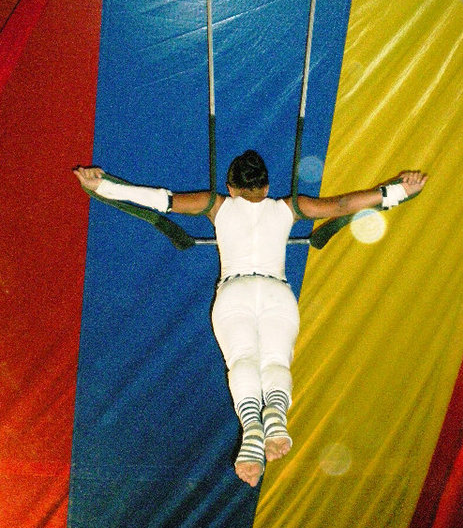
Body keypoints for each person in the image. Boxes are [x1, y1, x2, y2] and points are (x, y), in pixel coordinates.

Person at [74, 151, 427, 487]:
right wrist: (400, 190)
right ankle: (274, 416)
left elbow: (159, 200)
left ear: (231, 187)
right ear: (267, 186)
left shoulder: (216, 205)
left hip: (235, 291)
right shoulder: (290, 207)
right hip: (276, 293)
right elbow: (343, 205)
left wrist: (102, 185)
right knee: (275, 362)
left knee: (242, 360)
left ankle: (252, 428)